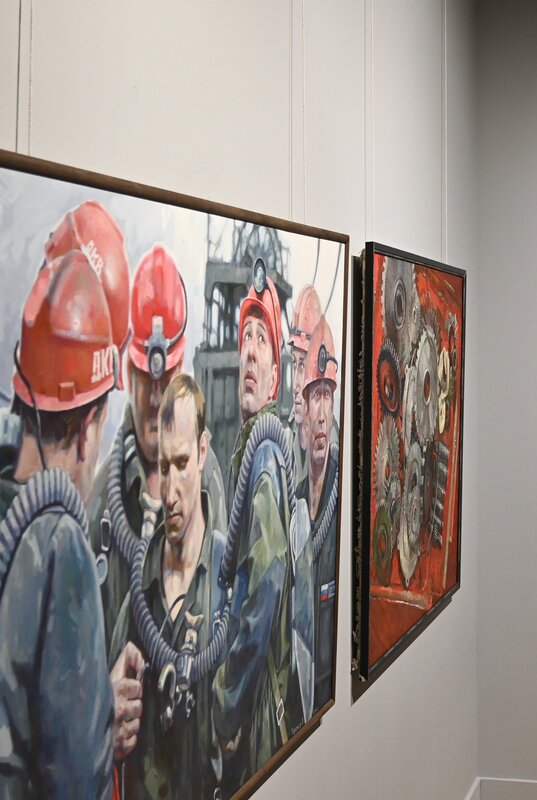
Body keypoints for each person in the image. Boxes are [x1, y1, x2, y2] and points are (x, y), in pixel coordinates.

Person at [0, 252, 139, 799]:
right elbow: (77, 782)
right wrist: (105, 738)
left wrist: (93, 703)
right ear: (86, 431)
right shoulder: (60, 545)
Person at [87, 244, 226, 651]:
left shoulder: (208, 478)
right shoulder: (104, 498)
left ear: (180, 372)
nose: (153, 399)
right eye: (145, 380)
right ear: (127, 373)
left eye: (164, 383)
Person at [109, 373, 227, 798]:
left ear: (202, 451)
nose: (170, 493)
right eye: (163, 468)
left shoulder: (227, 580)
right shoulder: (139, 595)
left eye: (181, 464)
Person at [213, 260, 295, 792]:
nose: (248, 351)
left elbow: (264, 589)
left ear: (274, 376)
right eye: (245, 336)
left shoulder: (264, 457)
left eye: (262, 341)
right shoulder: (251, 453)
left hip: (258, 718)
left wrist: (226, 707)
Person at [288, 316, 341, 720]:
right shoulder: (294, 508)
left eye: (328, 396)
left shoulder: (342, 494)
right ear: (303, 412)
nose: (322, 414)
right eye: (315, 397)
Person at [288, 284, 324, 484]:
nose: (295, 385)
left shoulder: (329, 441)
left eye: (302, 365)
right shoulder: (286, 437)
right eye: (294, 364)